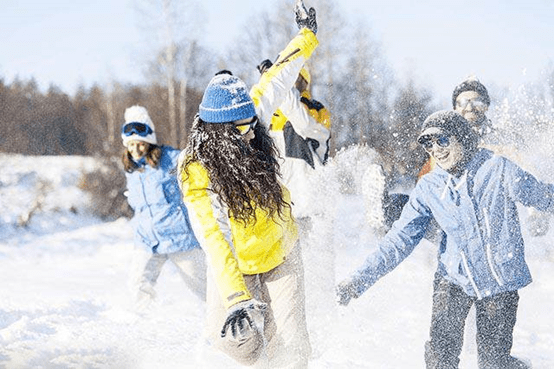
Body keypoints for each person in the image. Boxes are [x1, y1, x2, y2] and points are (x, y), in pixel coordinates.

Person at [336, 110, 552, 369]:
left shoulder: (498, 169)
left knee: (493, 364)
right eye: (428, 143)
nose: (436, 150)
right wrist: (357, 281)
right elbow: (398, 240)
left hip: (499, 281)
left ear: (461, 138)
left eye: (442, 140)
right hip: (453, 278)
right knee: (440, 359)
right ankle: (387, 206)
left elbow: (544, 196)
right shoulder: (429, 187)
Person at [177, 2, 318, 367]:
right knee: (235, 343)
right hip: (235, 264)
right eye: (240, 128)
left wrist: (306, 34)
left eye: (251, 123)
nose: (251, 131)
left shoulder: (250, 116)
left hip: (280, 251)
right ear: (217, 131)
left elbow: (278, 76)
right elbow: (215, 238)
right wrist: (238, 298)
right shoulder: (197, 172)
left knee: (291, 343)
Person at [121, 105, 206, 311]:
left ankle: (226, 320)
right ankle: (142, 323)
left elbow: (197, 162)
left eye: (140, 144)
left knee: (205, 288)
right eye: (131, 145)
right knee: (138, 284)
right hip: (148, 240)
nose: (135, 150)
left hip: (179, 238)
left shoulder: (170, 159)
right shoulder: (131, 168)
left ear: (149, 141)